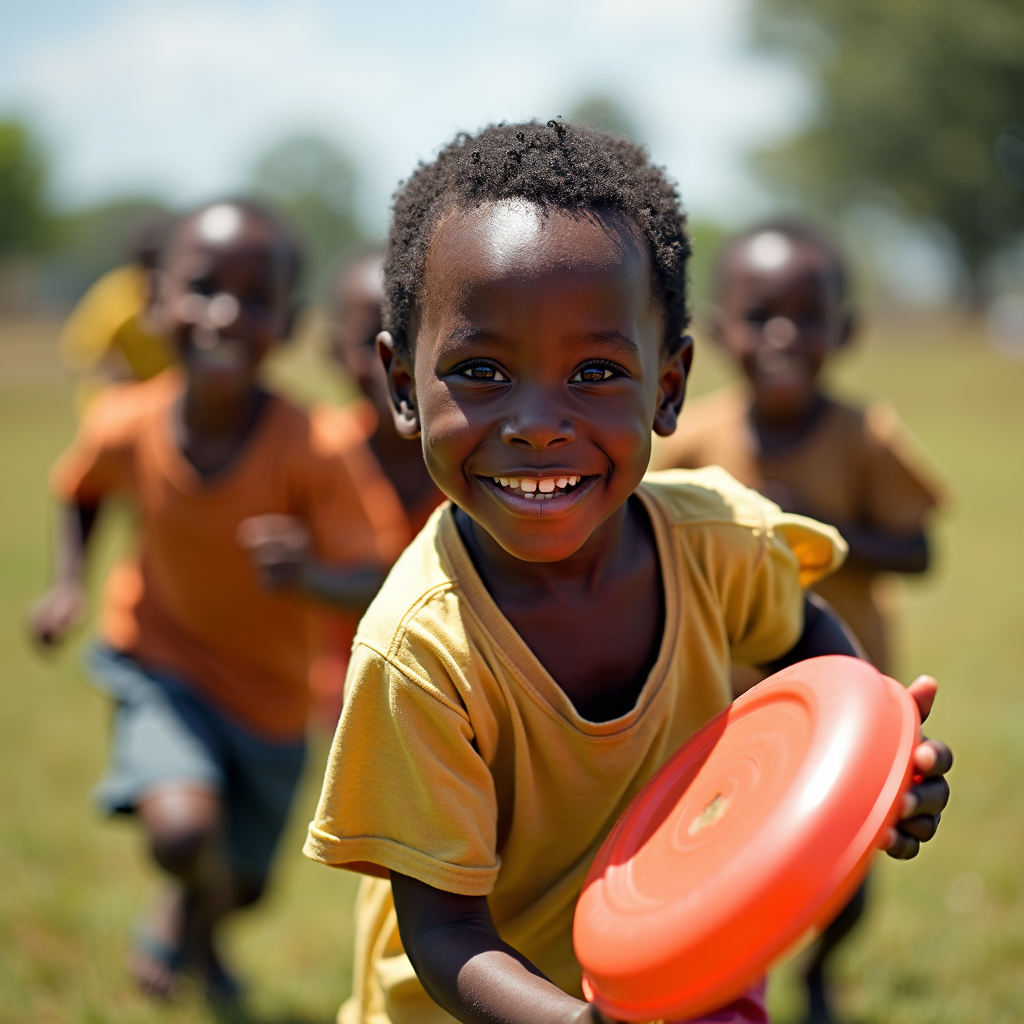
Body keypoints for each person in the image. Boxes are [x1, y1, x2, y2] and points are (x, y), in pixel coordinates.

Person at [301, 122, 952, 1024]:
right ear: (402, 388)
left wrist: (874, 767)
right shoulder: (419, 652)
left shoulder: (721, 542)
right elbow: (445, 935)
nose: (537, 423)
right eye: (480, 370)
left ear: (670, 386)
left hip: (673, 966)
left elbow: (810, 655)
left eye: (597, 370)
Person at [29, 199, 408, 1003]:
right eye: (202, 288)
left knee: (246, 886)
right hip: (157, 663)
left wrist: (307, 576)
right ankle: (185, 905)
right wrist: (69, 583)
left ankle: (194, 929)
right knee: (182, 829)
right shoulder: (125, 421)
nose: (225, 314)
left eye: (254, 297)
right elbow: (82, 491)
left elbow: (373, 572)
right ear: (157, 300)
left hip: (269, 700)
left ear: (288, 320)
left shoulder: (314, 447)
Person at [648, 220, 946, 1023]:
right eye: (760, 314)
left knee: (847, 866)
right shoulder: (695, 438)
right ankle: (732, 985)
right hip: (724, 705)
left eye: (806, 316)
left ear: (842, 331)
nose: (782, 334)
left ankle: (820, 968)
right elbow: (644, 531)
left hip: (848, 698)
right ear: (717, 332)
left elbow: (919, 550)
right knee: (724, 862)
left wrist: (830, 533)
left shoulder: (864, 434)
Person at [306, 251, 445, 724]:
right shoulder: (316, 454)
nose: (397, 362)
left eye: (417, 335)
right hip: (346, 694)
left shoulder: (480, 465)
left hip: (459, 692)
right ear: (333, 350)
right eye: (371, 341)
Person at [59, 211, 178, 411]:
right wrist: (138, 390)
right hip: (116, 408)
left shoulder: (183, 292)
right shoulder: (114, 293)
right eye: (146, 256)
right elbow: (84, 353)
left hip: (169, 410)